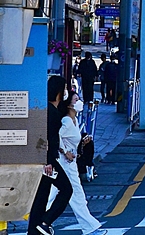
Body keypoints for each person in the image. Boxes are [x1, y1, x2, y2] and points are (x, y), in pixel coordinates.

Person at [28, 75, 74, 235]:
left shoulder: (51, 110)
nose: (67, 91)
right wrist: (47, 161)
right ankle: (46, 222)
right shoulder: (51, 114)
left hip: (45, 161)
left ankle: (35, 230)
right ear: (59, 91)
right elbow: (43, 139)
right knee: (67, 189)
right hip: (48, 162)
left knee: (41, 197)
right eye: (66, 88)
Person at [56, 91, 105, 235]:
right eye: (76, 99)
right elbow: (56, 136)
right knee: (71, 194)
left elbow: (69, 139)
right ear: (69, 105)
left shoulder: (74, 120)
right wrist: (65, 151)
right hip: (63, 163)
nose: (79, 102)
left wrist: (81, 143)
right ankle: (38, 222)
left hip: (69, 164)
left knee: (75, 194)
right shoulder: (66, 120)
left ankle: (90, 227)